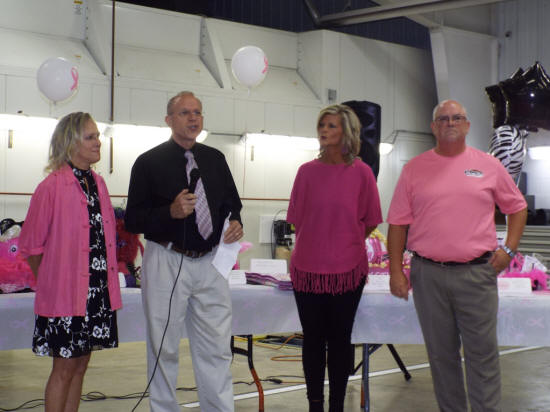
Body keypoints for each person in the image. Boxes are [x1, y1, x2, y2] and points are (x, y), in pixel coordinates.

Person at [387, 100, 527, 412]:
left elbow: (517, 208)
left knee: (482, 355)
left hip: (477, 275)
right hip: (428, 275)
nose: (450, 123)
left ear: (467, 125)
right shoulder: (413, 170)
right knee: (441, 356)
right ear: (433, 127)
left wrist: (509, 249)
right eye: (443, 119)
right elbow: (397, 223)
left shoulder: (489, 165)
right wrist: (396, 271)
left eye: (457, 118)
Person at [124, 91, 243, 412]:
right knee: (164, 346)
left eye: (198, 112)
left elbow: (232, 204)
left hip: (211, 262)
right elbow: (133, 219)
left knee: (217, 347)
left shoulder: (215, 159)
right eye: (185, 113)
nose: (193, 118)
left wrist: (235, 222)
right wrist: (170, 212)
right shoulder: (148, 162)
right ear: (169, 120)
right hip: (167, 259)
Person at [18, 112, 121, 412]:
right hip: (64, 296)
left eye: (97, 136)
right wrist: (50, 283)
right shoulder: (51, 187)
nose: (98, 142)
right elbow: (30, 246)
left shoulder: (98, 183)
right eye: (90, 137)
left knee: (80, 366)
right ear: (70, 143)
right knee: (63, 369)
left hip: (96, 294)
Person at [286, 104, 382, 412]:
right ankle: (315, 404)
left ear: (347, 131)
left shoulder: (362, 173)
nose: (324, 131)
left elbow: (371, 220)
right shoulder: (306, 172)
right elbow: (296, 219)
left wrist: (344, 242)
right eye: (322, 125)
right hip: (307, 270)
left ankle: (337, 405)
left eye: (331, 126)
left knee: (341, 339)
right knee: (313, 339)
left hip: (348, 270)